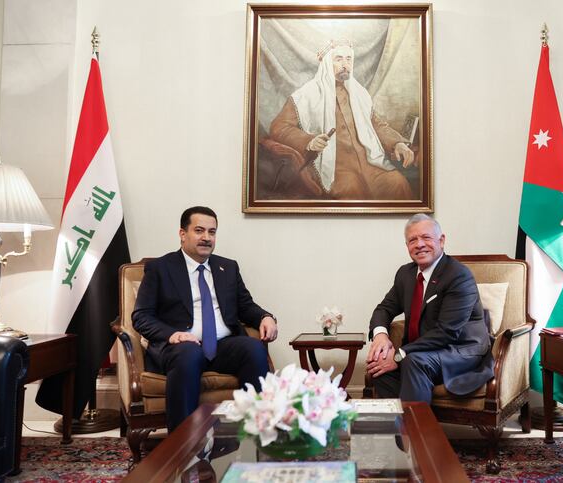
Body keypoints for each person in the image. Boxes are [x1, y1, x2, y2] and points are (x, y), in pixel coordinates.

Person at [132, 206, 278, 431]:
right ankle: (182, 442)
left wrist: (266, 317)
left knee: (253, 348)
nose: (206, 238)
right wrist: (173, 335)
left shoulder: (227, 267)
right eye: (199, 231)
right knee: (188, 353)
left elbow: (245, 306)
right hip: (181, 347)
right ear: (183, 234)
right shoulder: (160, 268)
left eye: (212, 232)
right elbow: (141, 317)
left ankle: (258, 431)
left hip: (223, 345)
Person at [366, 214, 494, 402]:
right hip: (422, 351)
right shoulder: (406, 274)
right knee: (378, 366)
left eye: (426, 237)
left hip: (460, 351)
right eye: (412, 240)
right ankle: (401, 421)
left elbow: (446, 332)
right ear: (407, 246)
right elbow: (384, 309)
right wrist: (380, 337)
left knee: (413, 361)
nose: (419, 244)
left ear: (441, 241)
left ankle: (416, 429)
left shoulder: (458, 276)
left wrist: (399, 355)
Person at [269, 40, 415, 200]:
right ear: (326, 63)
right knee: (352, 193)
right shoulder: (306, 95)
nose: (345, 64)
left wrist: (397, 143)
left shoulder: (360, 93)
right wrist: (309, 141)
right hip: (335, 168)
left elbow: (376, 125)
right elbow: (279, 127)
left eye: (348, 59)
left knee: (398, 184)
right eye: (338, 59)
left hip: (370, 162)